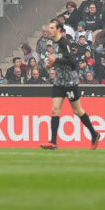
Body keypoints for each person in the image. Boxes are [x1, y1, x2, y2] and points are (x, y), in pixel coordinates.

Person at [39, 20, 101, 149]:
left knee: (78, 110)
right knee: (55, 110)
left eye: (52, 27)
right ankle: (53, 142)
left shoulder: (64, 42)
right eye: (49, 27)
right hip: (59, 81)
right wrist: (52, 64)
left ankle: (94, 134)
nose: (50, 30)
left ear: (58, 29)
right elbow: (59, 60)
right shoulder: (52, 43)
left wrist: (56, 60)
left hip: (69, 82)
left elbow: (72, 61)